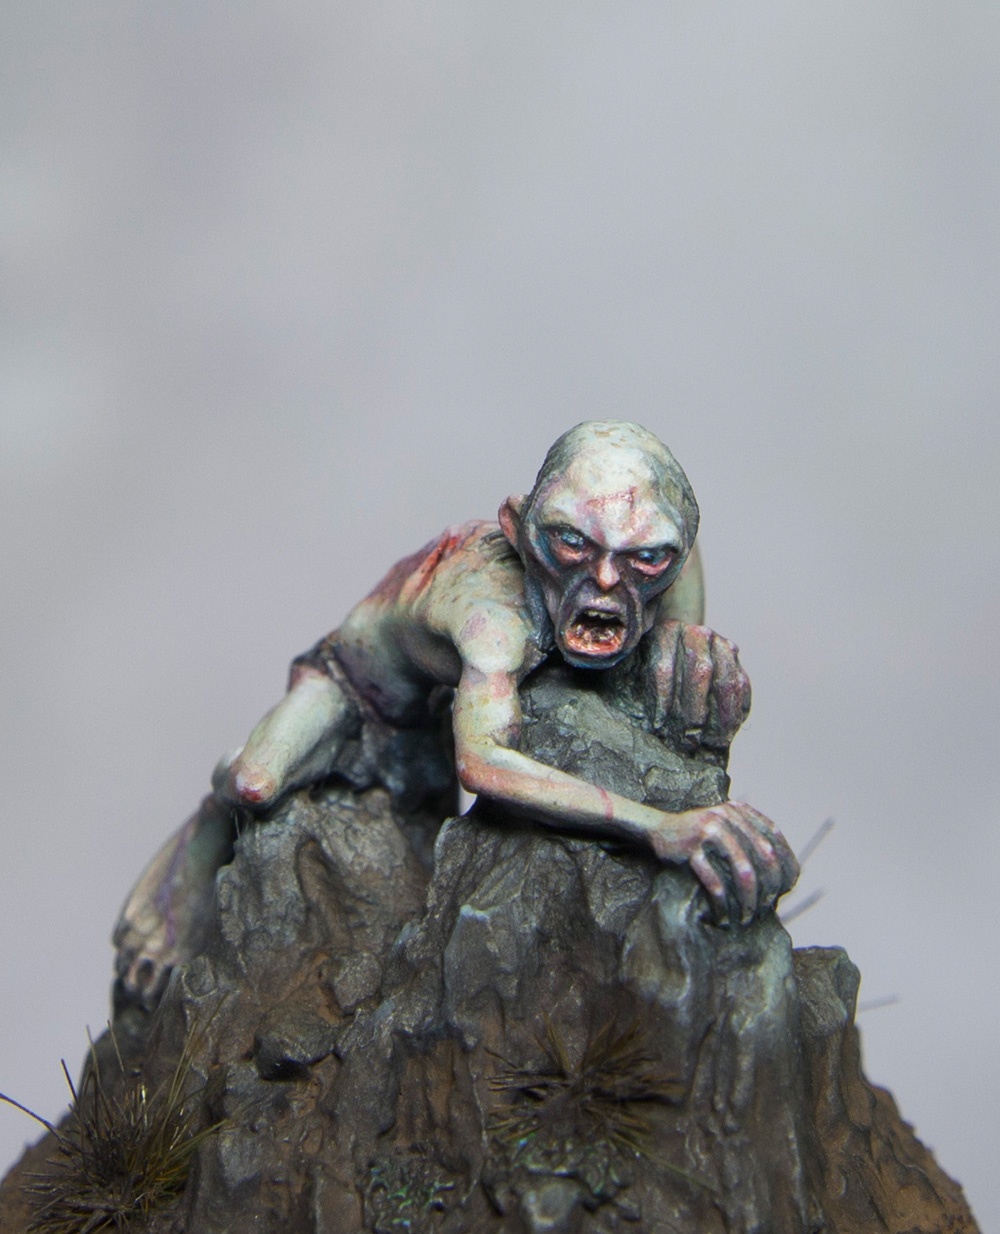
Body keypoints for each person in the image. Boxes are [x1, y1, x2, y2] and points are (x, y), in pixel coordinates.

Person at [114, 420, 797, 1008]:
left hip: (438, 703)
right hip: (354, 687)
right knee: (254, 782)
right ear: (518, 530)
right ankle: (192, 855)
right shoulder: (494, 623)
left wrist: (679, 630)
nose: (606, 581)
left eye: (644, 558)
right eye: (572, 545)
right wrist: (661, 827)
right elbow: (484, 764)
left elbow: (683, 548)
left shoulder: (655, 559)